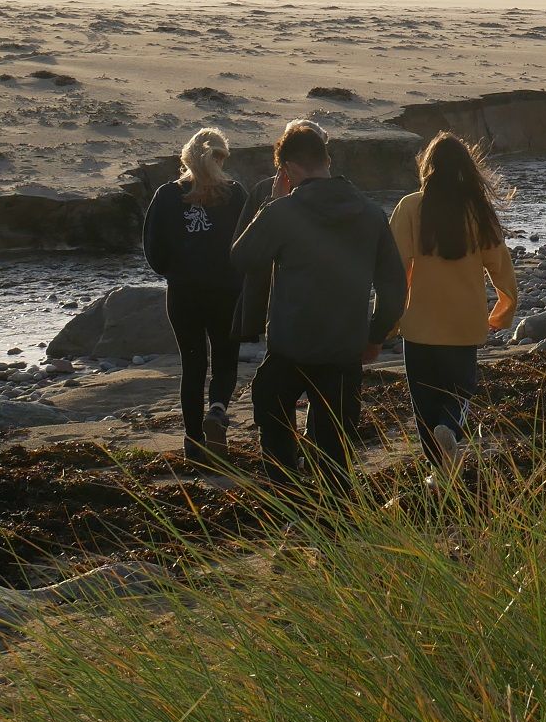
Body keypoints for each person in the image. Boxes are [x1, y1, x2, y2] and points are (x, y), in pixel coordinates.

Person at [231, 122, 406, 489]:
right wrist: (375, 336)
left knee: (274, 424)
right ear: (328, 159)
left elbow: (243, 258)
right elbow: (394, 288)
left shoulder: (283, 212)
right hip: (344, 349)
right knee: (335, 452)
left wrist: (271, 203)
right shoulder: (371, 213)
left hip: (290, 347)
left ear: (288, 169)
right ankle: (337, 529)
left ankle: (291, 503)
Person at [389, 133, 517, 468]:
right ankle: (449, 430)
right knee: (458, 393)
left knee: (423, 403)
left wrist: (389, 319)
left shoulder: (410, 206)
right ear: (465, 168)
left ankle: (437, 470)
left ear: (427, 167)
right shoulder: (477, 211)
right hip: (464, 325)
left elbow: (394, 267)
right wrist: (503, 312)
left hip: (419, 325)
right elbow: (500, 268)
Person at [142, 127, 246, 463]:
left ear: (185, 158)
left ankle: (193, 443)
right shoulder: (235, 194)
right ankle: (217, 411)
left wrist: (174, 272)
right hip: (227, 293)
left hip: (184, 294)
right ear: (222, 157)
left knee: (193, 365)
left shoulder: (166, 195)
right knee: (225, 362)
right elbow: (249, 242)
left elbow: (153, 250)